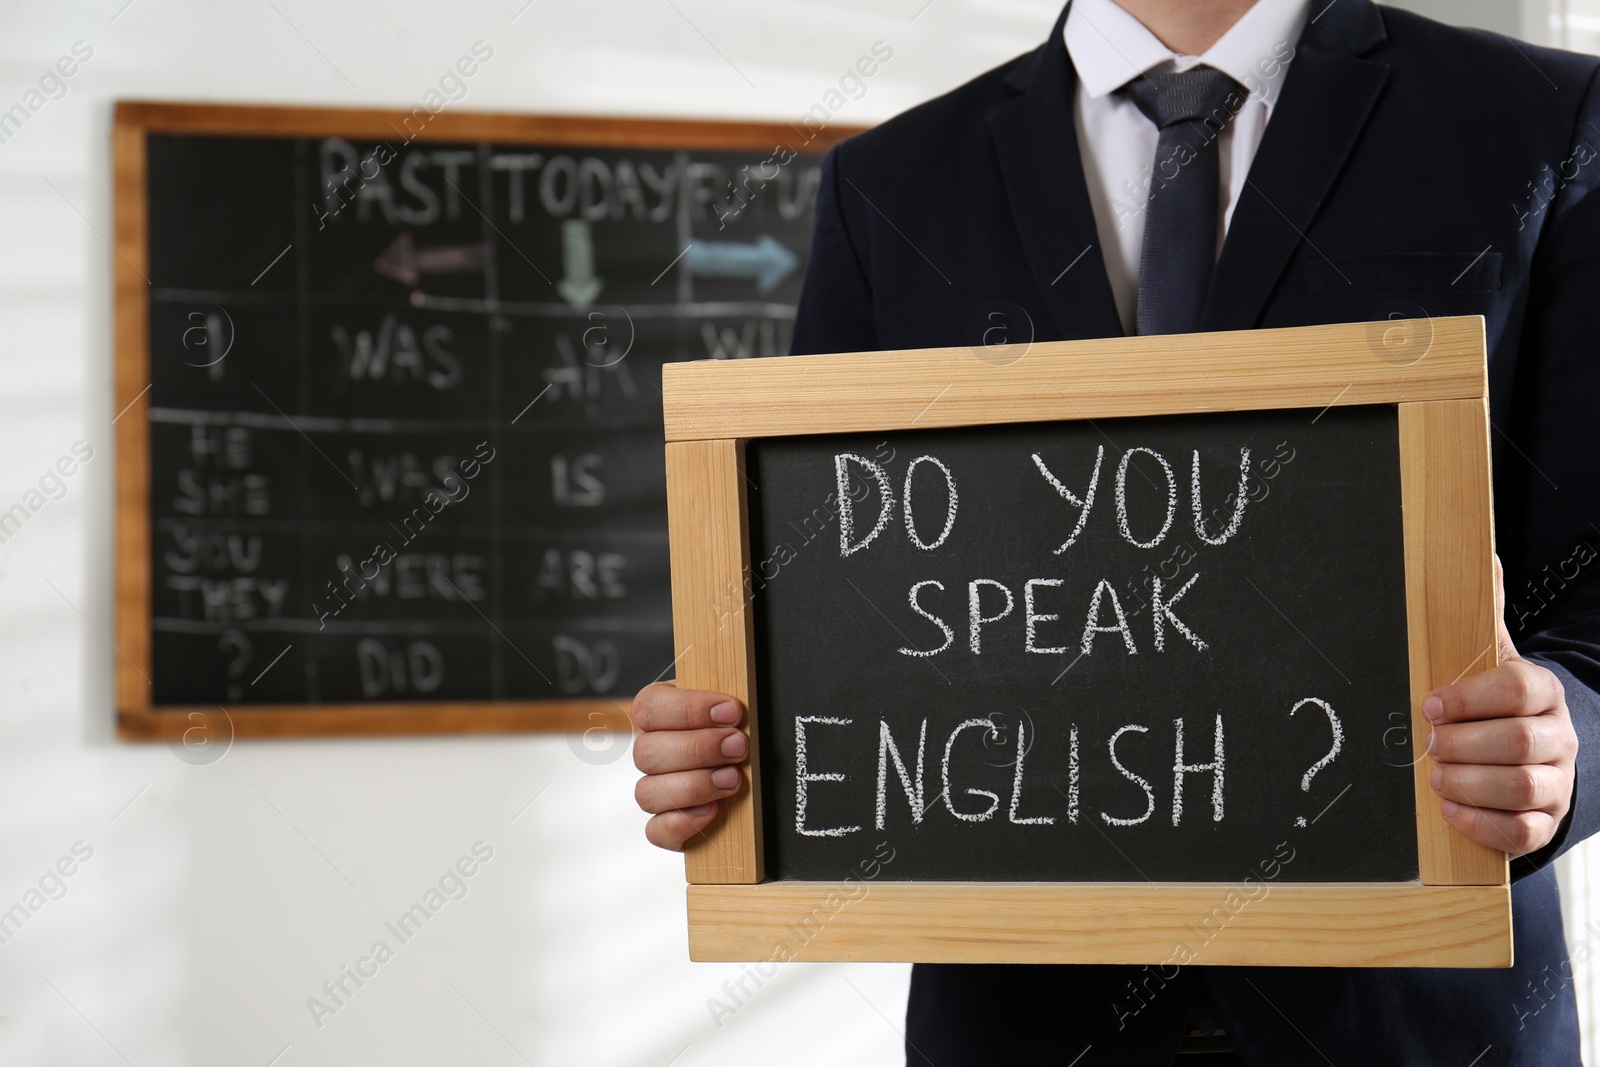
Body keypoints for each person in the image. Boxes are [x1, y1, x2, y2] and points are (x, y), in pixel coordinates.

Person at [632, 0, 1600, 1061]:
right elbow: (840, 607)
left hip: (1415, 1026)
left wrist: (1562, 752)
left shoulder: (1539, 122)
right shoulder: (893, 184)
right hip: (1023, 1025)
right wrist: (732, 754)